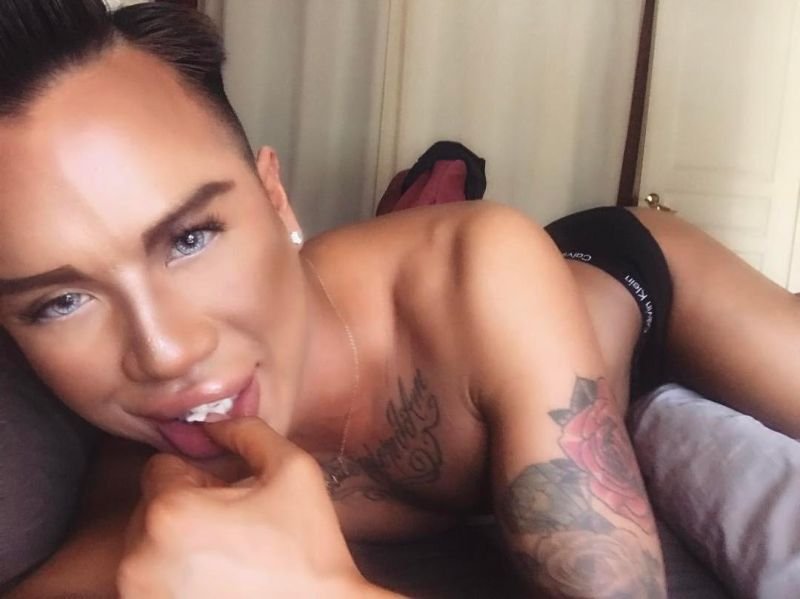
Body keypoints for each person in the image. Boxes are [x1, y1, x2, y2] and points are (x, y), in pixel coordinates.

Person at [1, 1, 798, 597]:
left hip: (629, 281)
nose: (165, 351)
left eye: (190, 238)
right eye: (59, 301)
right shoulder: (144, 477)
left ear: (275, 197)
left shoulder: (483, 268)